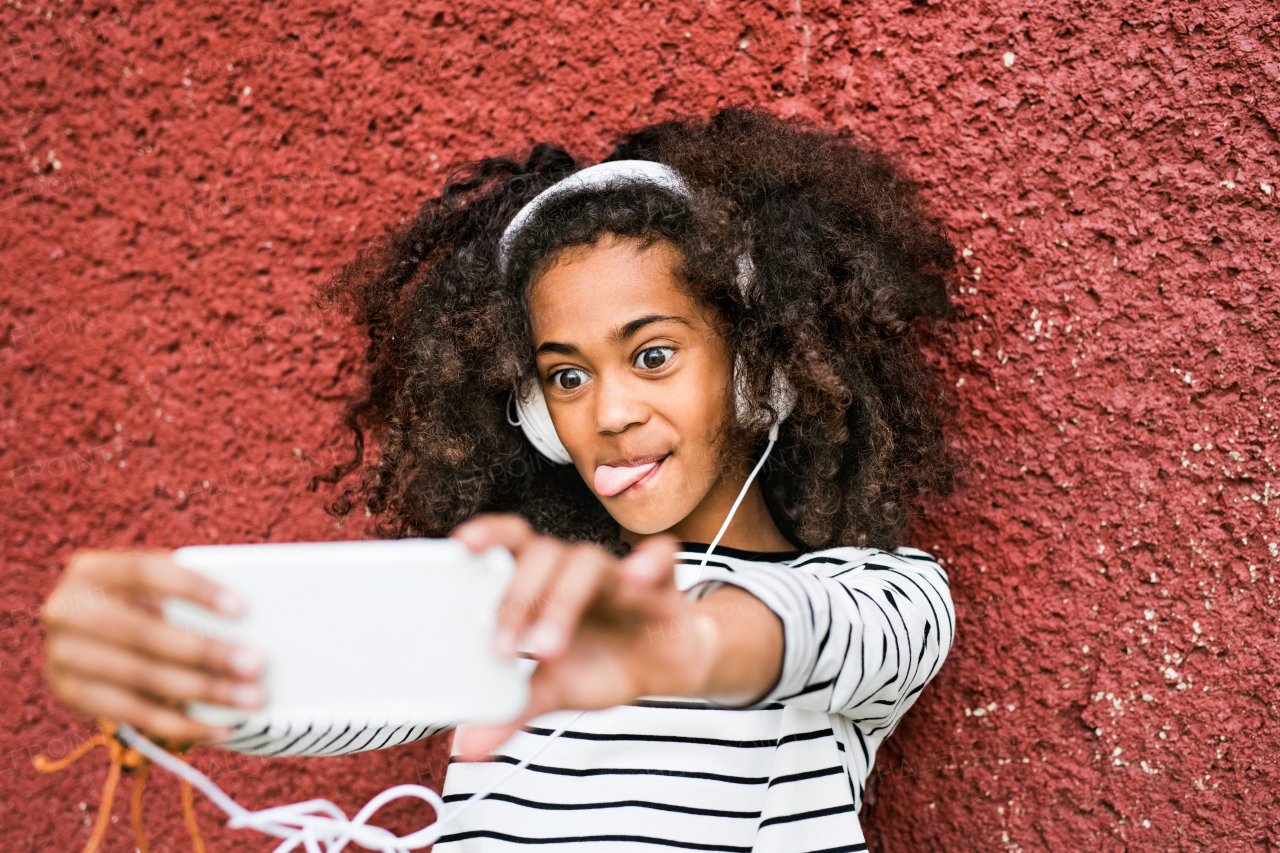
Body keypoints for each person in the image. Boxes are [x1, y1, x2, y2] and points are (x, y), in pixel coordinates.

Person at [41, 106, 960, 851]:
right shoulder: (522, 606)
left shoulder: (885, 594)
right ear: (534, 416)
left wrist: (665, 640)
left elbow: (789, 636)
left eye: (651, 354)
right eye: (566, 374)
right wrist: (173, 664)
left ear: (761, 367)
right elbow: (321, 691)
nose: (606, 413)